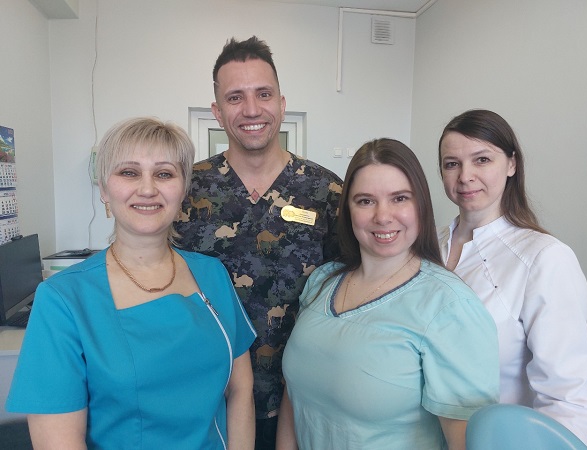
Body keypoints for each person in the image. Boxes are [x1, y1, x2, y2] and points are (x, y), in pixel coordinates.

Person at [6, 117, 256, 449]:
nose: (148, 189)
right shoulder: (63, 298)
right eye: (129, 172)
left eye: (164, 174)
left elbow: (240, 389)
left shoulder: (212, 274)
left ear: (183, 189)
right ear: (104, 190)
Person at [174, 36, 342, 450]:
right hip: (208, 402)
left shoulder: (326, 192)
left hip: (303, 403)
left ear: (281, 104)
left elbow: (352, 289)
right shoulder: (185, 191)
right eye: (235, 97)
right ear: (217, 112)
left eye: (263, 94)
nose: (251, 109)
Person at [276, 138, 499, 450]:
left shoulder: (450, 306)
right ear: (348, 210)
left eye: (399, 198)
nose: (382, 216)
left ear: (421, 205)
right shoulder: (322, 281)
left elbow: (466, 442)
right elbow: (294, 398)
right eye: (365, 201)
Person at [437, 109, 587, 445]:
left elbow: (566, 401)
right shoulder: (426, 249)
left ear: (511, 164)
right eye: (452, 164)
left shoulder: (544, 258)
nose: (465, 176)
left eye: (482, 160)